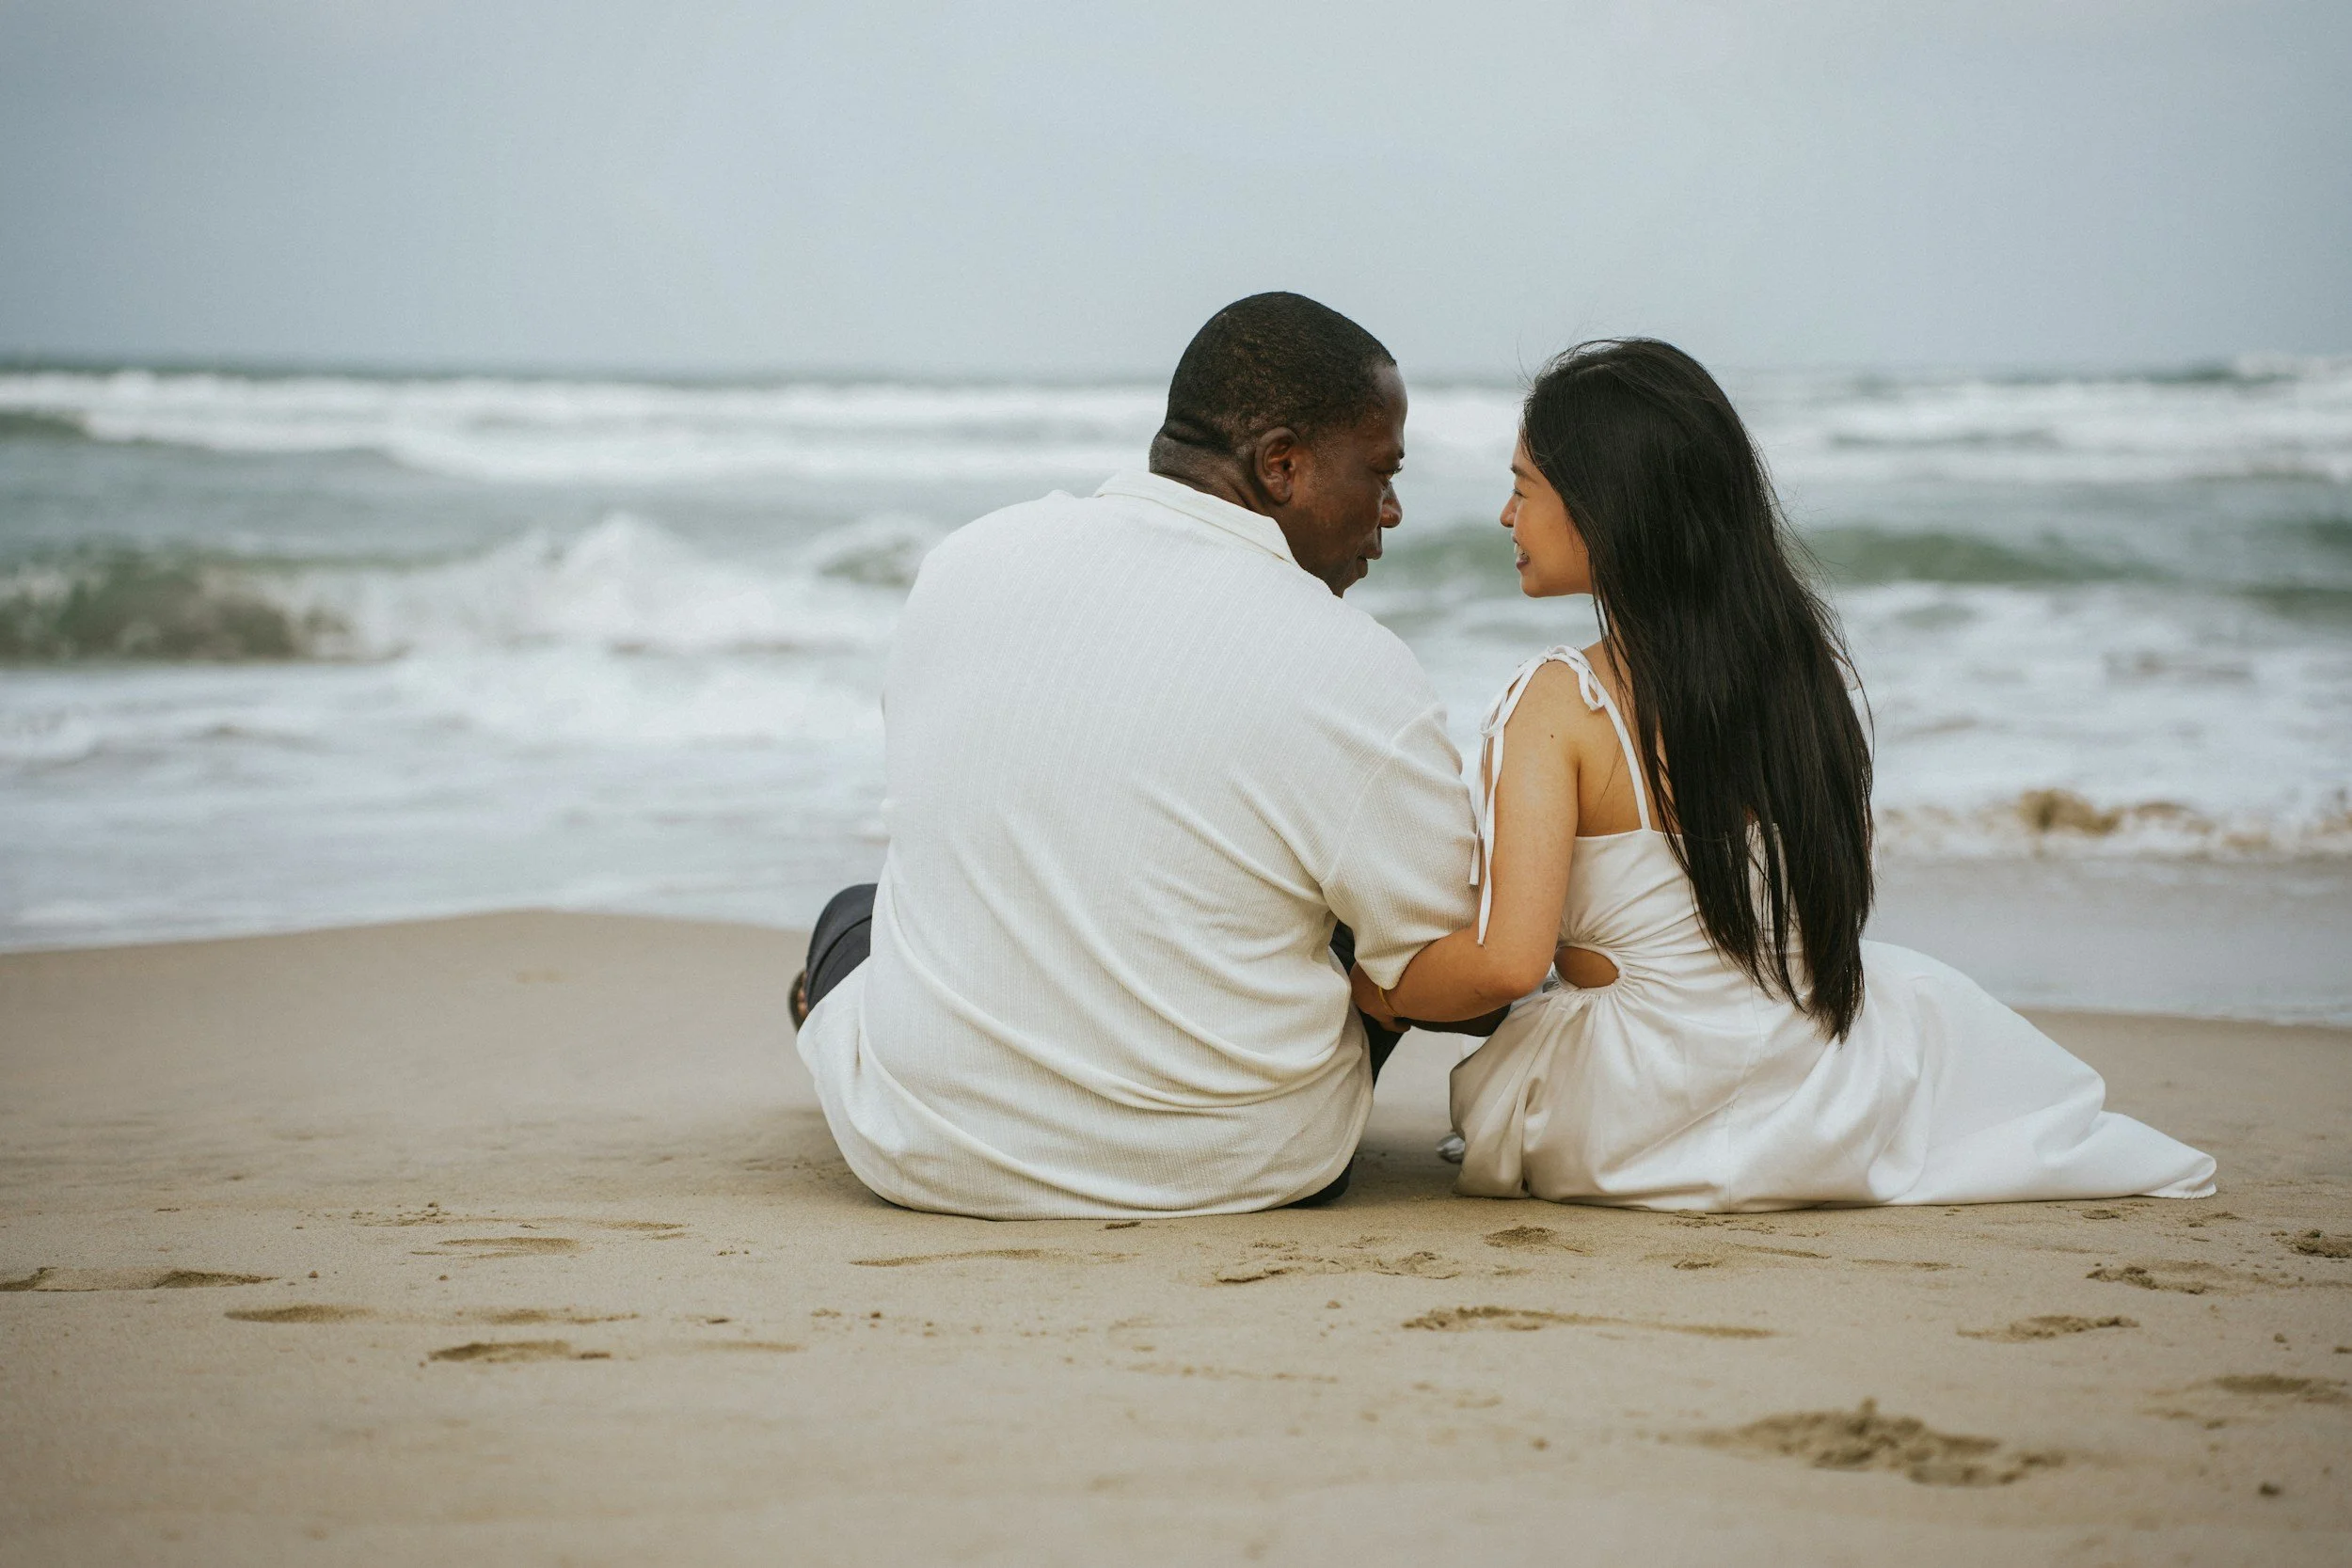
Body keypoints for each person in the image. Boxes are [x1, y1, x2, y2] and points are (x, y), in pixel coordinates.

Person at [1353, 339, 2217, 1211]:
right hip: (1817, 1084)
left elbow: (1508, 965)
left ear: (1601, 505)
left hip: (1633, 1109)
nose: (1507, 515)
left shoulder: (1557, 702)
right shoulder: (1804, 674)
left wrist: (1386, 988)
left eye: (1523, 487)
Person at [791, 293, 1495, 1219]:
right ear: (1281, 465)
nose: (1393, 510)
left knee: (860, 912)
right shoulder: (1352, 665)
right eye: (1379, 471)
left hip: (923, 1145)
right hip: (1233, 1164)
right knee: (1359, 909)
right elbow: (1461, 968)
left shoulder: (966, 561)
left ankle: (902, 1039)